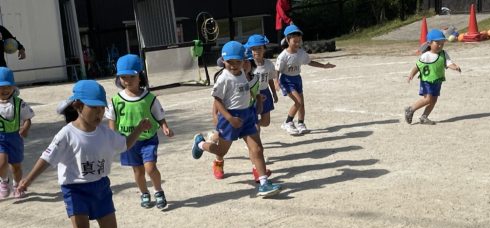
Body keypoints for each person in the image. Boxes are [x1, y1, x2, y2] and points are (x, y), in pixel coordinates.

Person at [17, 80, 151, 228]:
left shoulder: (105, 133)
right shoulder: (66, 135)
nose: (99, 113)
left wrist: (138, 129)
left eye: (101, 108)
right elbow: (47, 158)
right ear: (78, 106)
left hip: (101, 186)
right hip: (75, 189)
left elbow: (124, 144)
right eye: (93, 108)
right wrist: (28, 180)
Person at [191, 41, 281, 197]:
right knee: (221, 151)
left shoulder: (244, 74)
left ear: (244, 61)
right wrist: (229, 118)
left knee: (257, 149)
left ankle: (264, 183)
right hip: (230, 118)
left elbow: (249, 91)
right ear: (223, 61)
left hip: (247, 116)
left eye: (237, 61)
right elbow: (217, 100)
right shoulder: (223, 78)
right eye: (229, 62)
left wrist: (258, 100)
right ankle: (200, 143)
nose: (233, 65)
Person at [106, 54, 173, 209]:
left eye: (132, 76)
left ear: (140, 77)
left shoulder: (149, 98)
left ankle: (158, 191)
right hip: (128, 142)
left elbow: (159, 115)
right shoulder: (116, 100)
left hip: (148, 139)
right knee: (138, 171)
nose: (127, 81)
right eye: (123, 77)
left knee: (150, 168)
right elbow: (112, 120)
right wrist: (111, 137)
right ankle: (144, 193)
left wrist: (164, 126)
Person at [275, 25, 335, 136]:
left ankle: (301, 124)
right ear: (288, 40)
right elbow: (277, 70)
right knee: (298, 101)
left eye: (299, 41)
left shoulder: (301, 53)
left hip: (297, 79)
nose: (297, 44)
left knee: (301, 104)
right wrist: (276, 82)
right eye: (295, 41)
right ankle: (288, 122)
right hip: (287, 80)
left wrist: (324, 66)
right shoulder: (283, 56)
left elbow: (310, 62)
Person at [404, 29, 461, 125]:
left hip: (438, 81)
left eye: (442, 43)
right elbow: (417, 66)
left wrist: (455, 67)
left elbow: (448, 63)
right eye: (437, 43)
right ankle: (410, 109)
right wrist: (411, 74)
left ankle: (424, 117)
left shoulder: (443, 53)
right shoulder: (426, 56)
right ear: (429, 43)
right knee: (428, 99)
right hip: (427, 81)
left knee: (434, 100)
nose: (440, 45)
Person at [0, 67, 34, 199]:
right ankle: (3, 182)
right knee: (1, 162)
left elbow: (28, 119)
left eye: (8, 86)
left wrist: (25, 128)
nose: (4, 90)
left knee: (16, 166)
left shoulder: (20, 103)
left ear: (14, 87)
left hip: (15, 137)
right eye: (1, 87)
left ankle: (17, 185)